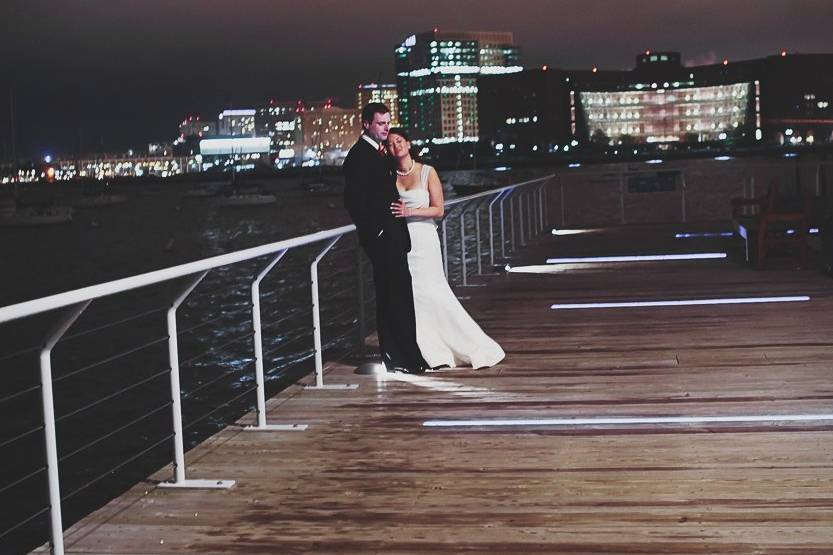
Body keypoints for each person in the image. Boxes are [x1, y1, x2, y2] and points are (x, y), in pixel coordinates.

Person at [387, 128, 505, 369]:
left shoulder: (427, 172)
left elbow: (439, 209)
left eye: (399, 141)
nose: (396, 146)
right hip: (402, 242)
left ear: (408, 144)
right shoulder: (390, 175)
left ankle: (469, 344)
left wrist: (411, 211)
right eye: (390, 144)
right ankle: (429, 351)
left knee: (434, 291)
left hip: (425, 239)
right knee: (413, 296)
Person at [343, 104, 429, 374]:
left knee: (401, 297)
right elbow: (354, 202)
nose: (386, 128)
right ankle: (398, 358)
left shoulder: (380, 154)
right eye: (381, 123)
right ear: (366, 124)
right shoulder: (358, 156)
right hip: (382, 240)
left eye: (388, 123)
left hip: (395, 238)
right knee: (391, 299)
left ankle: (409, 356)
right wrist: (375, 233)